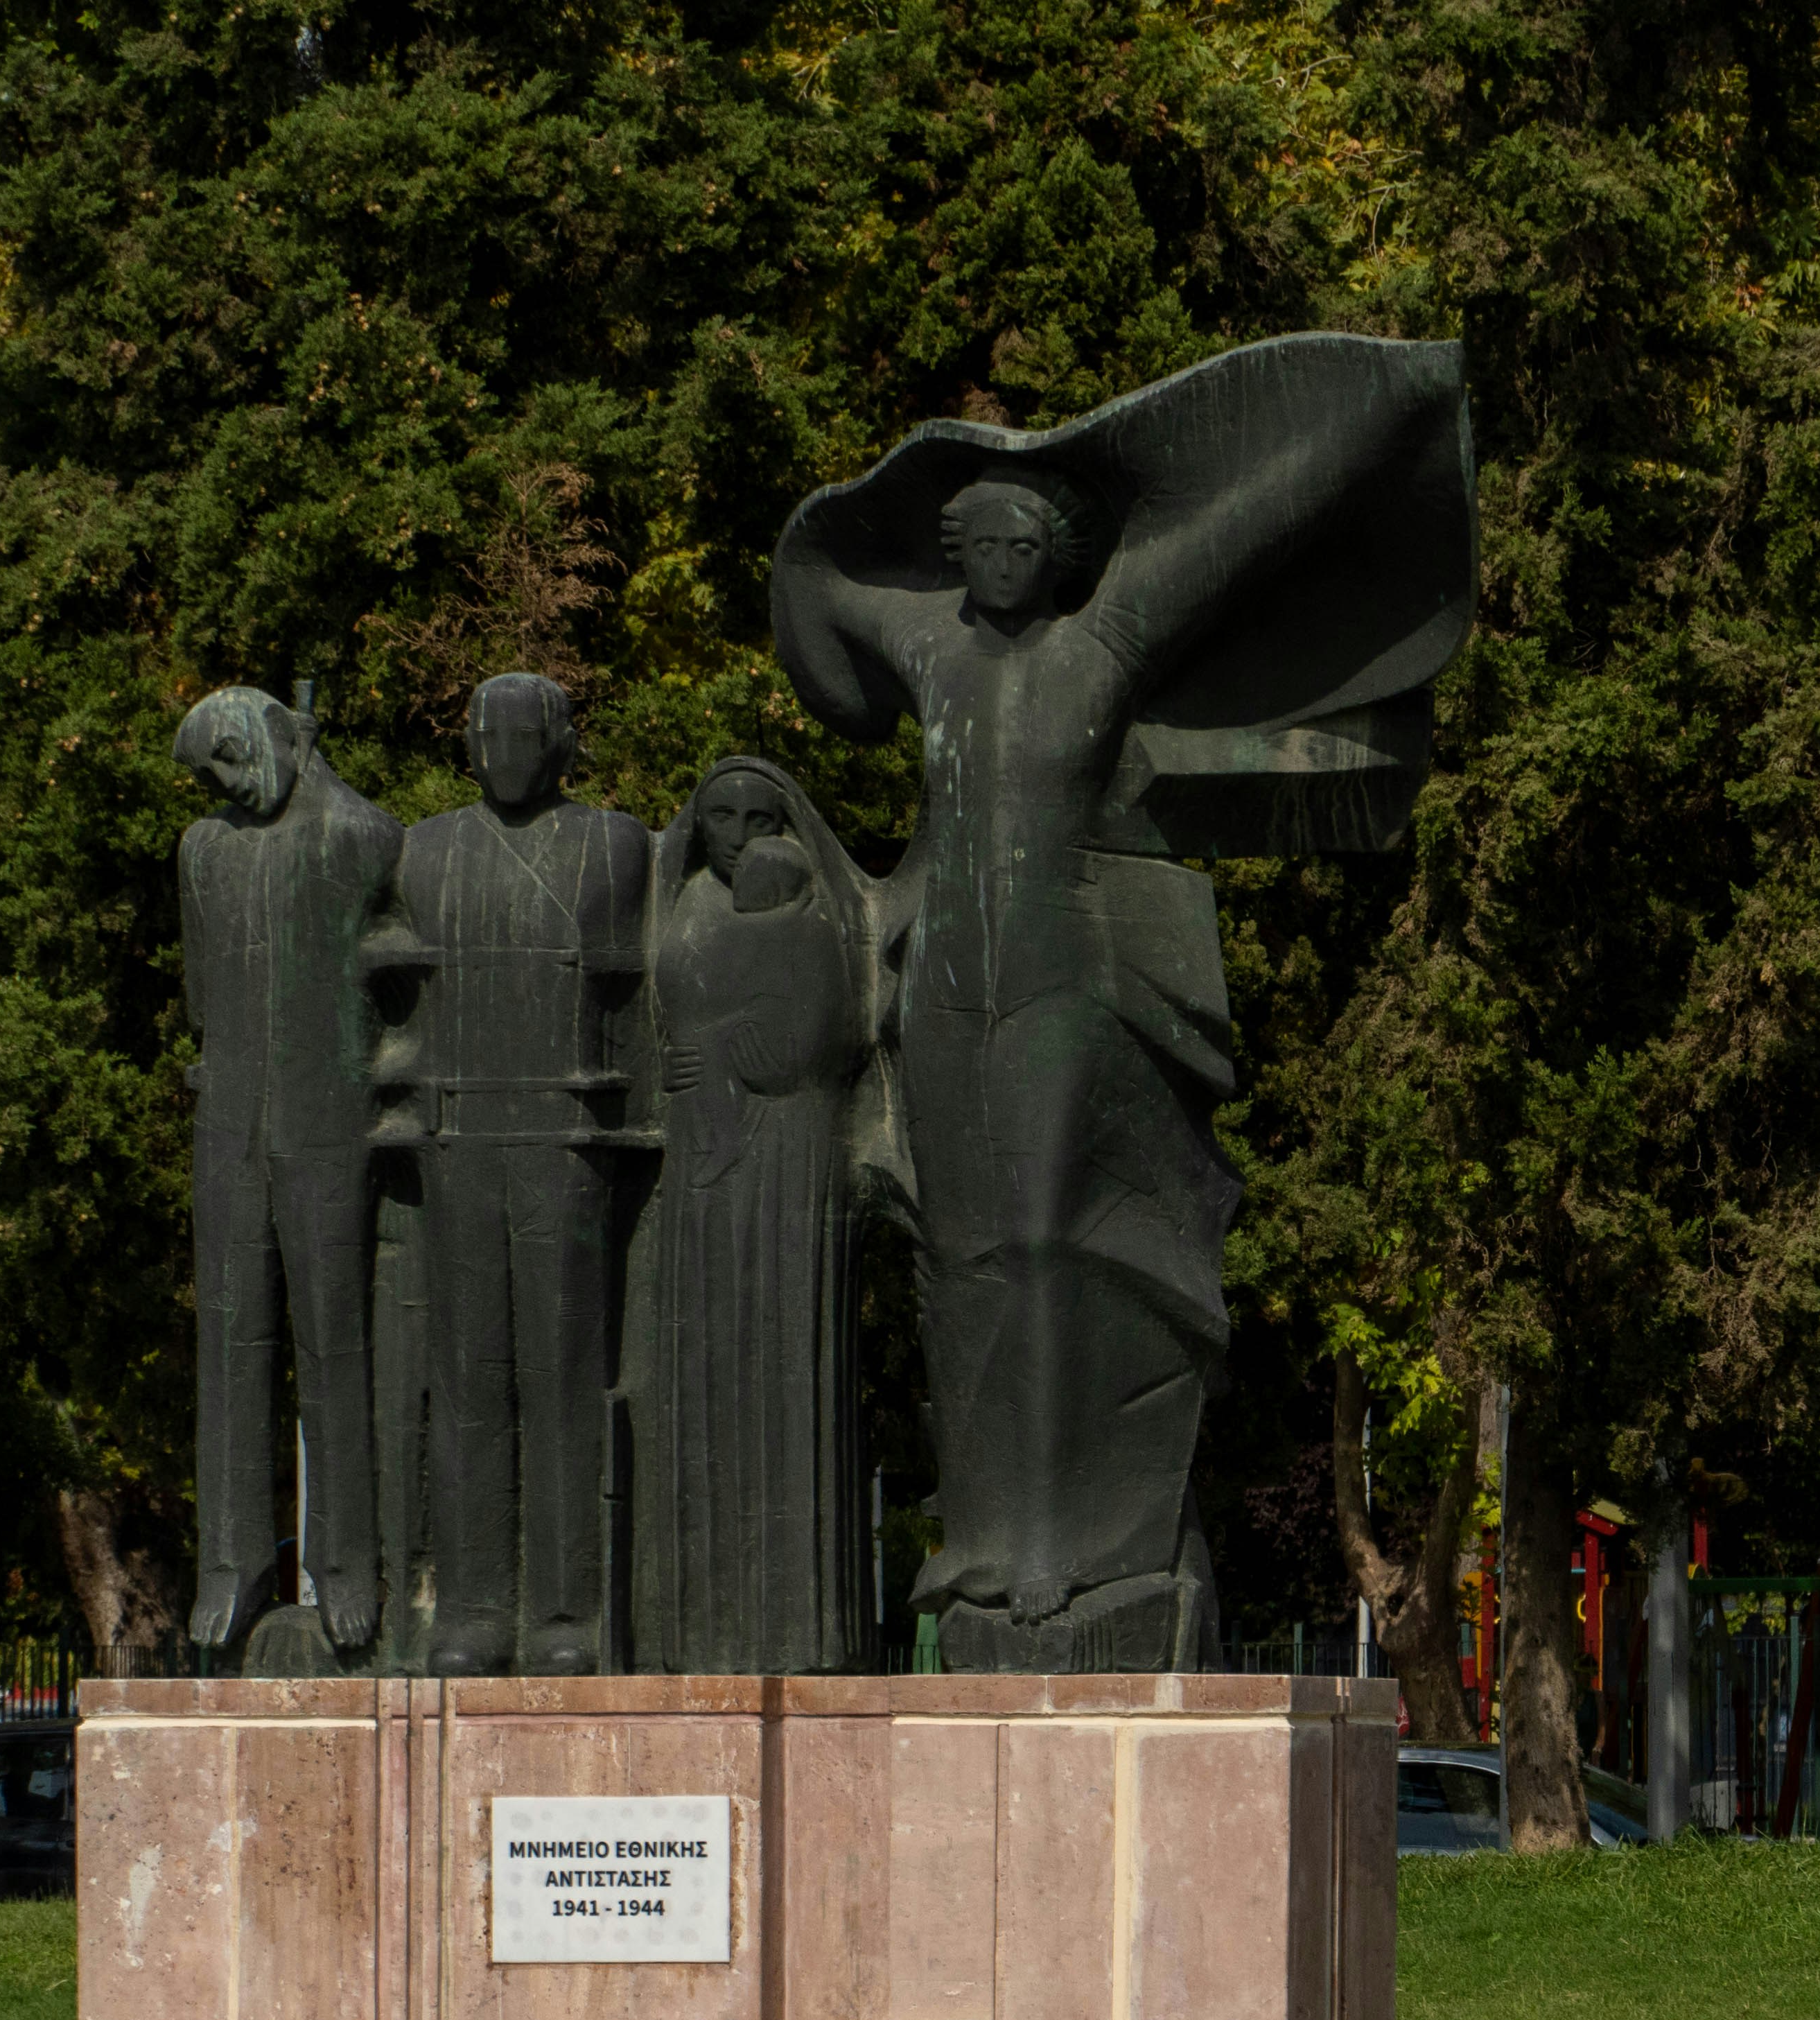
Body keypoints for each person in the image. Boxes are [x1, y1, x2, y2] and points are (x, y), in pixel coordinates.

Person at [769, 333, 1473, 1668]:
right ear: (961, 552)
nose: (1005, 562)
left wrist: (1385, 416)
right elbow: (827, 591)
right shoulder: (930, 652)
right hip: (944, 998)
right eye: (983, 540)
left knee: (1044, 1250)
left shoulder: (1108, 640)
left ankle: (1064, 1545)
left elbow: (1249, 531)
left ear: (1062, 556)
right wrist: (814, 561)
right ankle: (979, 1537)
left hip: (1063, 990)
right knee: (956, 1261)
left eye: (1031, 541)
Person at [390, 674, 652, 1673]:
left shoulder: (615, 845)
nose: (504, 748)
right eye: (487, 730)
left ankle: (564, 1613)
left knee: (563, 1378)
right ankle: (473, 1610)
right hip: (459, 1141)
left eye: (523, 732)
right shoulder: (426, 848)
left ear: (563, 743)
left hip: (566, 1139)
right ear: (467, 741)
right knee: (469, 1383)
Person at [624, 758, 891, 1673]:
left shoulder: (812, 916)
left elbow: (813, 1039)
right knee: (697, 1373)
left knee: (784, 1370)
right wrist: (682, 1066)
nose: (737, 832)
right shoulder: (685, 904)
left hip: (783, 1163)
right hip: (701, 1170)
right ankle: (687, 1626)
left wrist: (719, 1048)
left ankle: (797, 1626)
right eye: (719, 816)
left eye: (756, 814)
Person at [173, 686, 403, 1666]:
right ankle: (229, 1566)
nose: (226, 783)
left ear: (275, 735)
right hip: (229, 1114)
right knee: (228, 1339)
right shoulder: (203, 852)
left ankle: (346, 1562)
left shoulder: (358, 837)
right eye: (208, 773)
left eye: (232, 755)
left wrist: (317, 762)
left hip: (327, 1117)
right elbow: (197, 996)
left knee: (334, 1339)